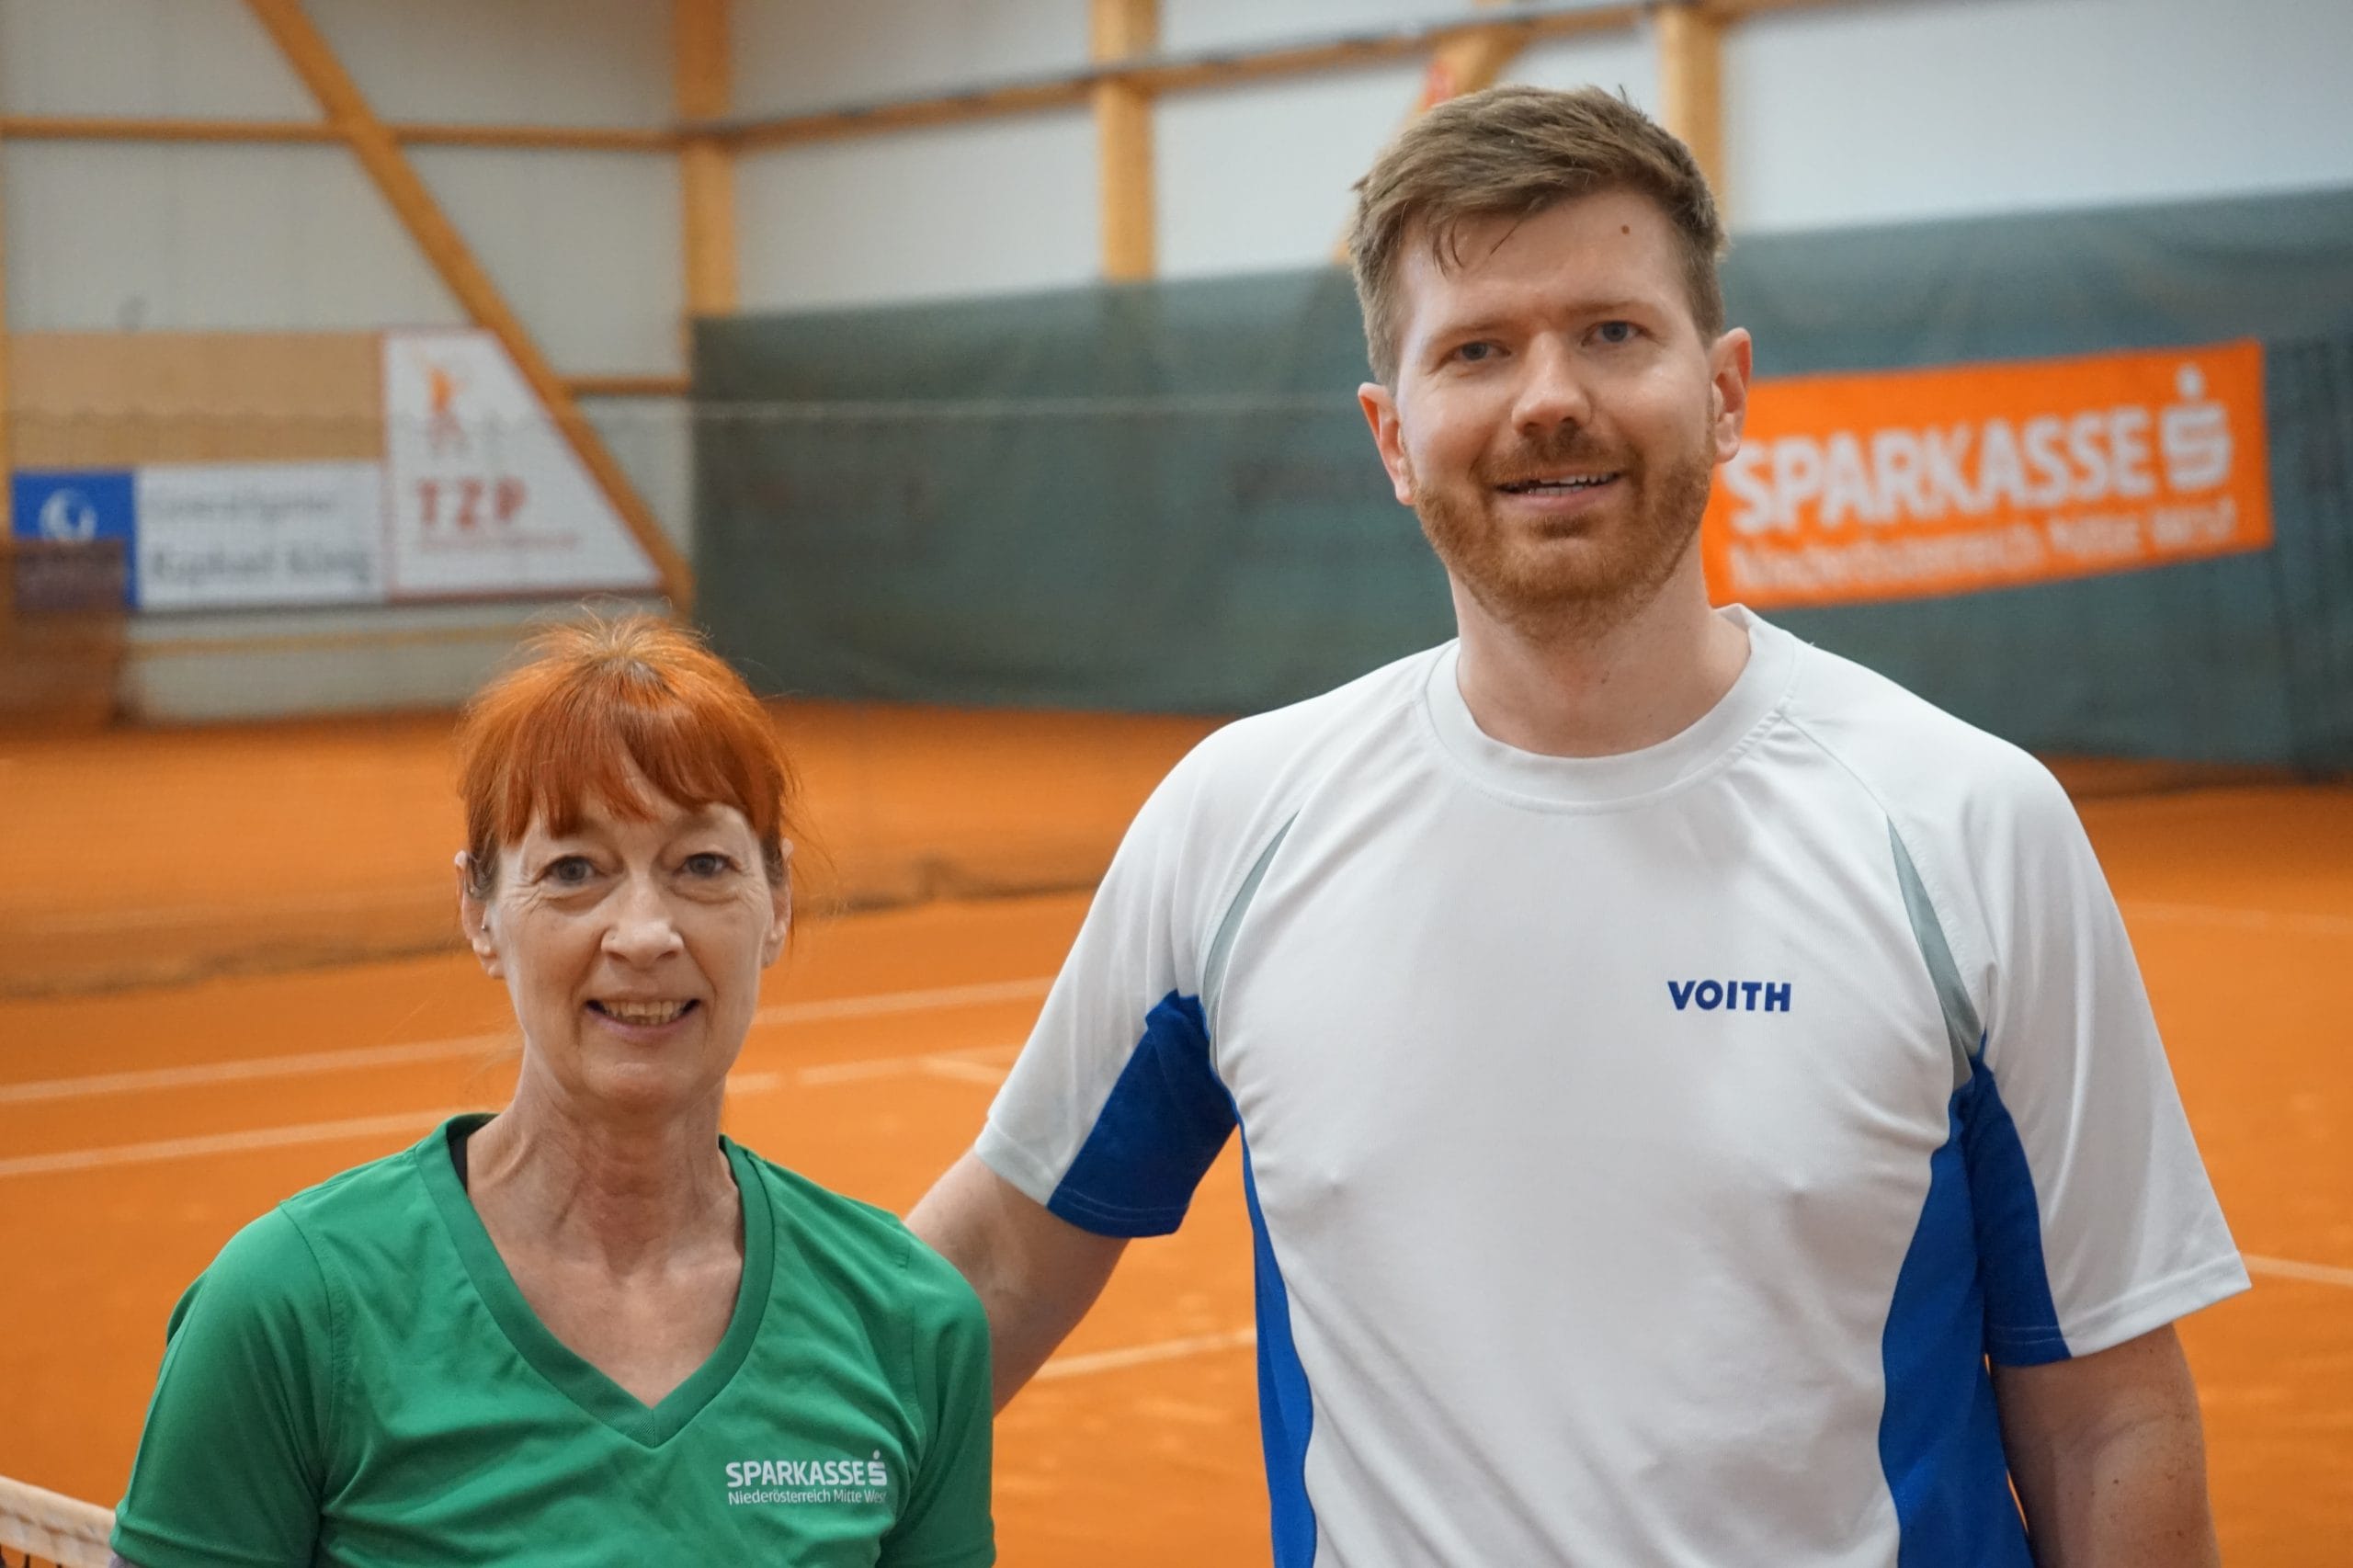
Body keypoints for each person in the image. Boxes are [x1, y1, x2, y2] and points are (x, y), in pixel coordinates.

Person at [909, 85, 2246, 1566]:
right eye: (1476, 349)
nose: (1548, 398)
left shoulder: (1971, 827)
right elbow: (998, 1262)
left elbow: (2108, 1415)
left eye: (1612, 331)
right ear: (1392, 434)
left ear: (1725, 390)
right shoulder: (1237, 822)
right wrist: (746, 1474)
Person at [110, 618, 994, 1567]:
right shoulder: (290, 1308)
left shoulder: (911, 1322)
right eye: (575, 870)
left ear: (775, 902)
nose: (644, 933)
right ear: (480, 912)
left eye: (702, 864)